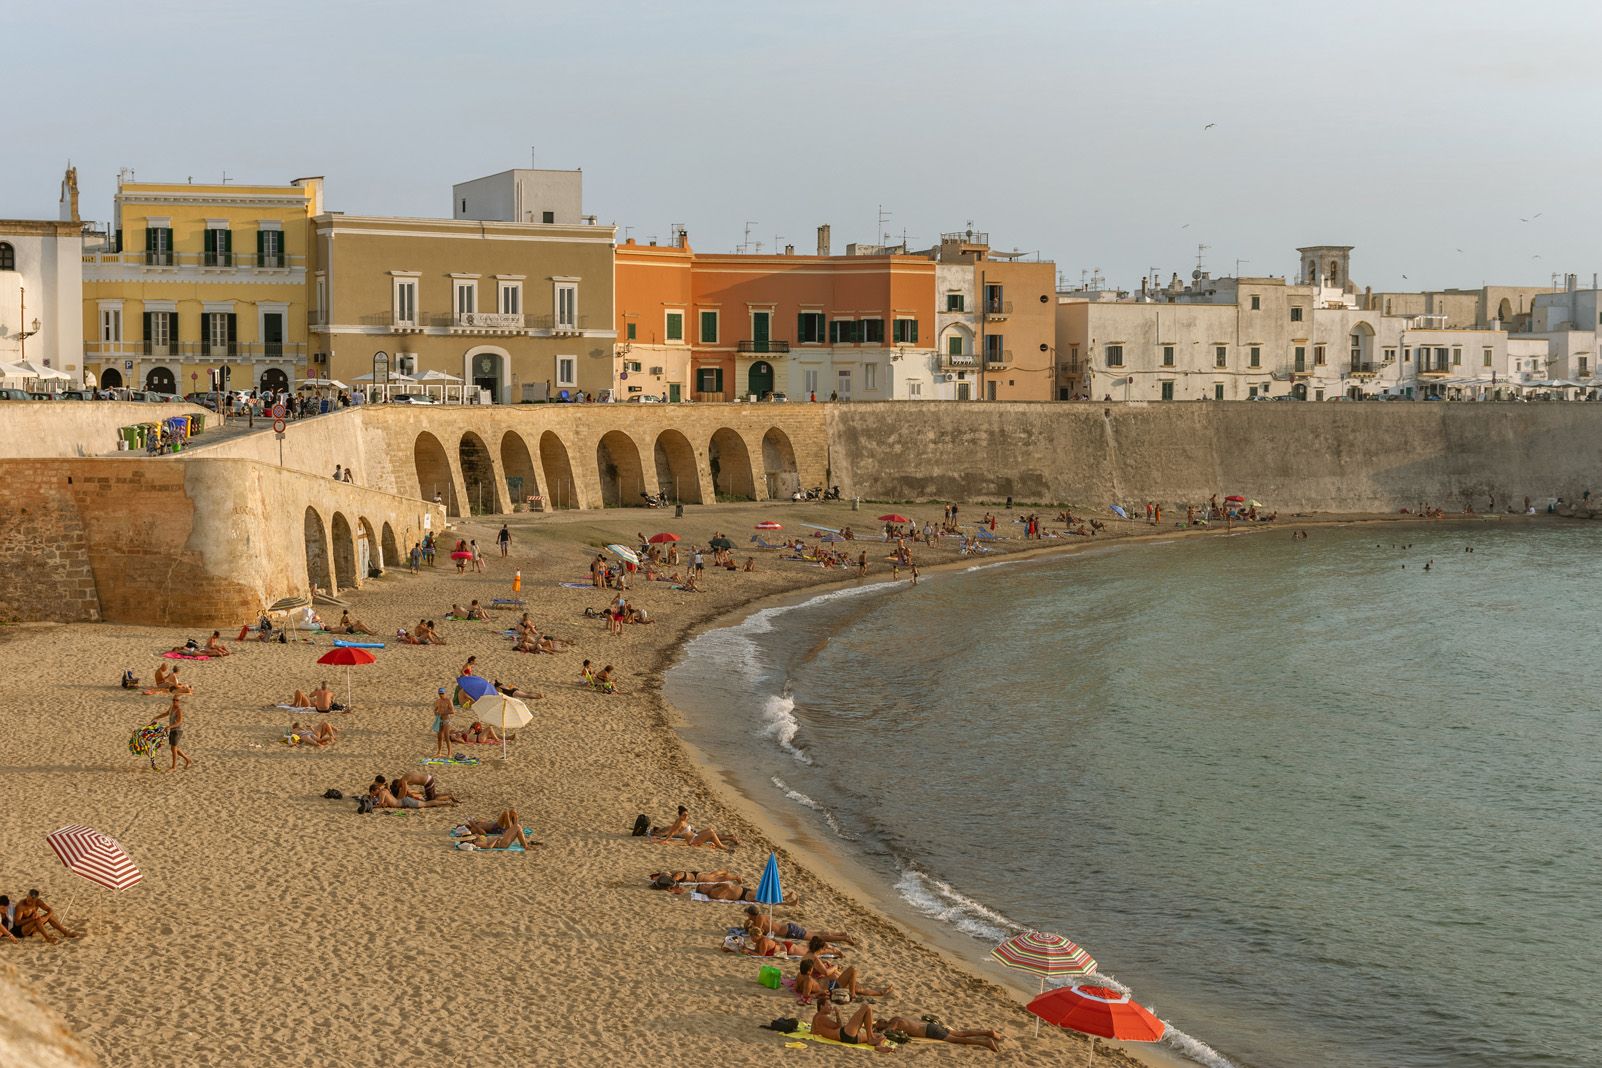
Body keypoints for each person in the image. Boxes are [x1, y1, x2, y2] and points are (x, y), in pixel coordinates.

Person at [809, 996, 890, 1051]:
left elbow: (812, 1031)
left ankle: (879, 1046)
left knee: (879, 1035)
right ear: (821, 1007)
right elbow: (838, 1026)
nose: (831, 1007)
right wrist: (837, 1014)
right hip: (844, 1034)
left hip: (849, 1037)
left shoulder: (815, 1018)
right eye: (828, 1005)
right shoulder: (821, 1018)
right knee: (867, 1007)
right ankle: (871, 1039)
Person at [743, 907, 854, 947]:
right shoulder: (760, 916)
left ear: (751, 914)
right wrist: (749, 921)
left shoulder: (759, 918)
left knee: (818, 938)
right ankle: (841, 934)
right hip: (789, 928)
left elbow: (758, 932)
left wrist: (749, 923)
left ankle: (844, 938)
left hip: (790, 932)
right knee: (817, 934)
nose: (747, 916)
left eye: (748, 914)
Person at [880, 1016, 1001, 1051]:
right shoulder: (896, 1018)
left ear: (883, 1022)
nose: (877, 1027)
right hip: (931, 1026)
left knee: (956, 1039)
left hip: (930, 1031)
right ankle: (988, 1032)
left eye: (878, 1025)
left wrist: (878, 1030)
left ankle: (986, 1043)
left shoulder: (893, 1023)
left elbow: (886, 1033)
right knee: (960, 1033)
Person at [652, 805, 737, 849]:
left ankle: (729, 838)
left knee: (710, 830)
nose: (686, 817)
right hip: (693, 841)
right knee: (711, 832)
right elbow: (672, 831)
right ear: (680, 815)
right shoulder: (679, 823)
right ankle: (722, 846)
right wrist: (665, 840)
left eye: (687, 815)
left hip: (695, 836)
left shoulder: (681, 820)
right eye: (684, 815)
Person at [14, 890, 81, 943]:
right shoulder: (21, 906)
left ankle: (66, 933)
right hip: (22, 930)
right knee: (37, 920)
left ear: (36, 899)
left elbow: (50, 910)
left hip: (32, 926)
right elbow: (17, 923)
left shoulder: (38, 902)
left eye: (32, 901)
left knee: (49, 916)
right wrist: (31, 919)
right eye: (28, 900)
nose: (29, 902)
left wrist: (46, 917)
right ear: (27, 896)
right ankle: (48, 938)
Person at [367, 781, 456, 810]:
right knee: (427, 803)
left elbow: (381, 805)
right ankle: (447, 802)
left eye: (372, 793)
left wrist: (373, 806)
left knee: (427, 804)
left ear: (374, 791)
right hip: (403, 801)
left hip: (404, 802)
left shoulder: (382, 793)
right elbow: (387, 803)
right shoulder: (385, 790)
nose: (373, 795)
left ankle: (448, 802)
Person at [164, 694, 193, 770]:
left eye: (176, 700)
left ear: (179, 701)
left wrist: (170, 726)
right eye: (173, 700)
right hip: (172, 730)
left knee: (173, 748)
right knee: (174, 748)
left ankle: (174, 767)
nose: (174, 701)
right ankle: (187, 759)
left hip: (177, 730)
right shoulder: (171, 707)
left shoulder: (179, 710)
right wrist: (156, 717)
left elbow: (179, 722)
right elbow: (166, 713)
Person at [432, 688, 454, 757]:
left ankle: (449, 753)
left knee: (447, 737)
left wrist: (443, 712)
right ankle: (439, 752)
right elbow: (435, 710)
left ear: (445, 693)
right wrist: (436, 712)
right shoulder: (438, 701)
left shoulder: (448, 701)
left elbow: (452, 711)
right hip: (440, 720)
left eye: (442, 693)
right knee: (439, 737)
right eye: (440, 693)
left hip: (446, 720)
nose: (441, 695)